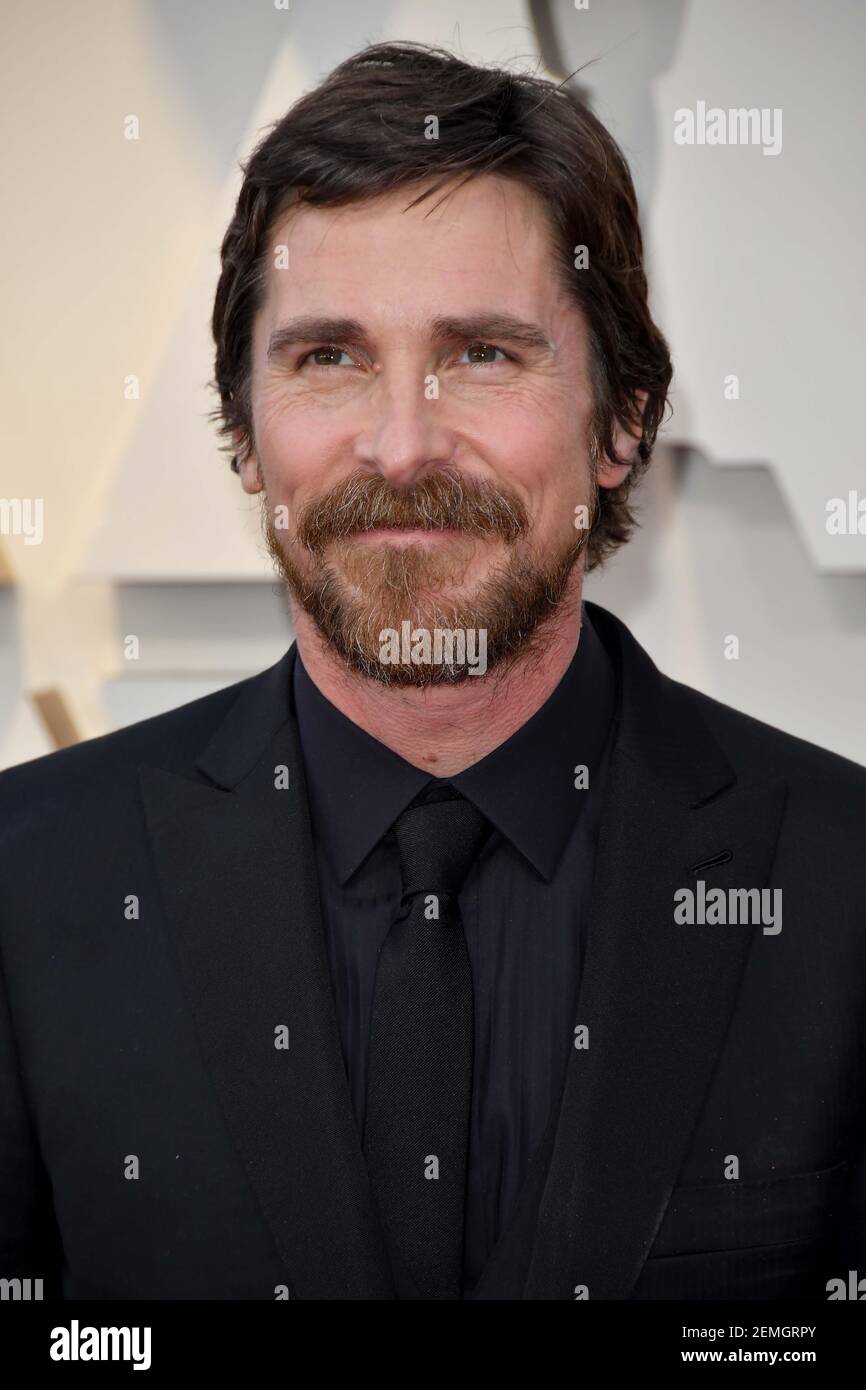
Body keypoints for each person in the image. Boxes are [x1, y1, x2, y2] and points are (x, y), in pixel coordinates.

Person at [1, 41, 864, 1301]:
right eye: (327, 357)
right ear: (243, 433)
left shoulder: (841, 881)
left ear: (622, 417)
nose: (401, 448)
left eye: (484, 354)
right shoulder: (30, 880)